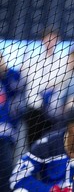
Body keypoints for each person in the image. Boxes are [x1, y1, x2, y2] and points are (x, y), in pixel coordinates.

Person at [21, 26, 71, 147]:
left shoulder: (61, 60)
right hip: (34, 107)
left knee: (49, 142)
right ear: (43, 40)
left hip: (53, 110)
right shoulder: (33, 59)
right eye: (48, 39)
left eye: (54, 39)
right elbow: (30, 80)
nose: (51, 42)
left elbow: (62, 80)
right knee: (32, 143)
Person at [0, 52, 25, 192]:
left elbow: (18, 87)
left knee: (5, 174)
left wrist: (5, 72)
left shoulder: (11, 76)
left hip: (5, 134)